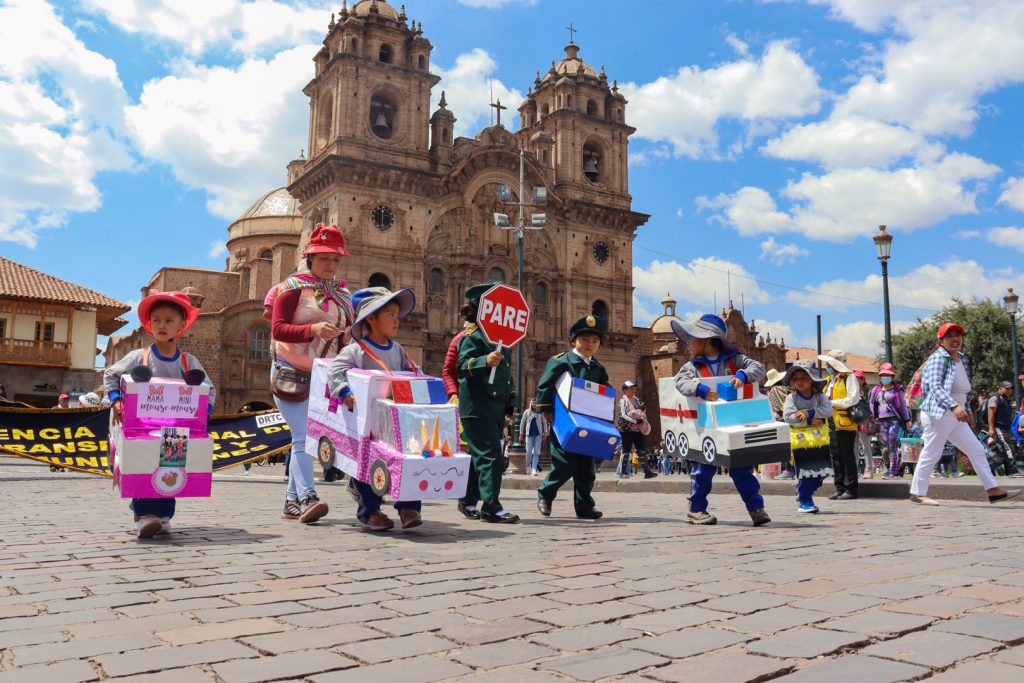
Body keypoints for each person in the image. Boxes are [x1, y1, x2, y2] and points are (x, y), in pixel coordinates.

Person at [104, 290, 215, 538]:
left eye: (169, 320)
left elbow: (209, 389)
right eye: (157, 321)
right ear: (149, 324)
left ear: (181, 325)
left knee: (171, 467)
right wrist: (116, 400)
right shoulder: (139, 357)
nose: (162, 326)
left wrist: (203, 413)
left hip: (176, 430)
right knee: (143, 464)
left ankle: (164, 516)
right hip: (142, 428)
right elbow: (111, 375)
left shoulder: (189, 362)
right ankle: (145, 515)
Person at [271, 225, 354, 524]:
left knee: (307, 438)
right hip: (290, 369)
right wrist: (312, 330)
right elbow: (278, 329)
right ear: (311, 258)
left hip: (322, 376)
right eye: (324, 259)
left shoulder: (343, 294)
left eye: (335, 259)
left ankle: (291, 502)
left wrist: (345, 339)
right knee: (302, 436)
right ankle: (308, 497)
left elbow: (346, 334)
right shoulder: (292, 287)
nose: (330, 265)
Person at [328, 286, 422, 531]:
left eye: (397, 315)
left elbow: (413, 371)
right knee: (367, 463)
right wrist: (345, 392)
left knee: (407, 458)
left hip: (396, 420)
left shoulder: (397, 350)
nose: (396, 320)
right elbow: (335, 371)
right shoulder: (356, 350)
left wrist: (421, 380)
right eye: (390, 314)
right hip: (368, 423)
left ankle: (408, 507)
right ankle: (370, 511)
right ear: (371, 318)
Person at [671, 314, 770, 526]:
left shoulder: (735, 360)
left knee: (743, 469)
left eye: (692, 338)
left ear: (707, 339)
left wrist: (743, 376)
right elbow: (680, 382)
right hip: (707, 426)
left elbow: (759, 368)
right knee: (704, 469)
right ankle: (696, 509)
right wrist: (700, 388)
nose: (688, 343)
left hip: (734, 424)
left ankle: (756, 508)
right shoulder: (692, 366)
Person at [909, 322, 1020, 505]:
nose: (955, 339)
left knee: (976, 450)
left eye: (958, 335)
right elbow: (934, 386)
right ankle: (917, 493)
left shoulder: (962, 359)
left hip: (956, 415)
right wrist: (954, 406)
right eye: (950, 336)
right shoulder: (938, 358)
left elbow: (964, 390)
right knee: (932, 452)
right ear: (941, 340)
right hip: (939, 413)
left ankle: (993, 491)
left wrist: (966, 412)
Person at [535, 315, 610, 520]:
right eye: (585, 339)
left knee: (586, 469)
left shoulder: (598, 369)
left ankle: (584, 505)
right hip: (564, 422)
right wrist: (547, 411)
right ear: (573, 341)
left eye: (595, 341)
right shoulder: (561, 361)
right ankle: (545, 494)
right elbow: (544, 386)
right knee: (564, 464)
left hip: (589, 424)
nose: (590, 344)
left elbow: (605, 391)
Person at [455, 284, 519, 523]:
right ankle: (491, 507)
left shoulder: (502, 340)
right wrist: (484, 360)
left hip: (494, 409)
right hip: (476, 408)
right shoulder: (473, 337)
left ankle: (467, 500)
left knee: (477, 455)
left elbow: (507, 375)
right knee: (491, 456)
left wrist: (511, 400)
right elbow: (461, 366)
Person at [781, 360, 833, 513]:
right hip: (801, 441)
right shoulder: (792, 399)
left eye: (804, 377)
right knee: (805, 472)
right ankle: (805, 500)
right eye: (795, 378)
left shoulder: (820, 396)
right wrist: (810, 420)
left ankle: (804, 491)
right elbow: (789, 417)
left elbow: (828, 410)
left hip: (819, 439)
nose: (799, 381)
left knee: (821, 472)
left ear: (812, 379)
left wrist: (809, 412)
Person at [820, 349, 861, 500]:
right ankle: (839, 487)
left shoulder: (849, 377)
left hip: (845, 423)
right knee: (835, 456)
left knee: (847, 456)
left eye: (828, 363)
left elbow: (853, 399)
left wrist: (832, 403)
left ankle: (851, 489)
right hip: (830, 423)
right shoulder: (831, 379)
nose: (826, 366)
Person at [869, 363, 912, 479]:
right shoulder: (876, 389)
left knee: (892, 442)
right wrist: (872, 416)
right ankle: (894, 469)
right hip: (882, 421)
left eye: (888, 375)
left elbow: (903, 406)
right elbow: (872, 402)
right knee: (887, 444)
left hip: (894, 420)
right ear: (880, 376)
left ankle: (893, 470)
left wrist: (907, 419)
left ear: (892, 376)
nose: (885, 377)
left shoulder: (898, 390)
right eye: (883, 375)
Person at [986, 380, 1024, 477]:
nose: (1009, 390)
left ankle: (990, 469)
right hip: (998, 427)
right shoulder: (995, 398)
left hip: (1006, 428)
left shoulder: (1005, 399)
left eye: (1010, 389)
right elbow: (990, 414)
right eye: (1006, 388)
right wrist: (991, 428)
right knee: (1009, 448)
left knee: (1002, 450)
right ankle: (1013, 471)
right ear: (1000, 388)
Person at [765, 368, 794, 480]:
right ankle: (791, 470)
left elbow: (774, 409)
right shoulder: (787, 389)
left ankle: (787, 471)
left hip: (781, 419)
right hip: (792, 418)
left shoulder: (773, 391)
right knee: (792, 446)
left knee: (785, 446)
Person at [519, 399, 548, 476]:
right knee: (528, 451)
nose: (535, 404)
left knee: (536, 452)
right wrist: (521, 434)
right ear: (531, 404)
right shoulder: (527, 412)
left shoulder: (540, 412)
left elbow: (544, 422)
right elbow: (522, 423)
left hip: (538, 435)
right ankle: (528, 467)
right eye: (533, 403)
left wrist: (545, 432)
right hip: (529, 435)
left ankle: (533, 469)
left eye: (536, 403)